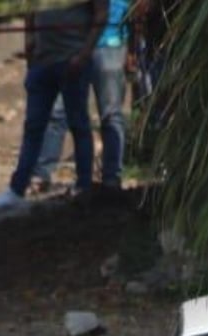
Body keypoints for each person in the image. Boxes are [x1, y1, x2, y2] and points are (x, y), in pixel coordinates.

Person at [0, 0, 109, 210]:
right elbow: (29, 10)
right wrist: (29, 42)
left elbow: (101, 15)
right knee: (33, 126)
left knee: (78, 124)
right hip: (42, 62)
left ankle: (84, 188)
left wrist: (84, 54)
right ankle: (16, 189)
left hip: (72, 61)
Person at [32, 0, 133, 195]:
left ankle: (110, 177)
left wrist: (133, 45)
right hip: (76, 45)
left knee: (110, 116)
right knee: (61, 113)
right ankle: (45, 174)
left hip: (108, 43)